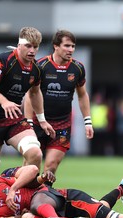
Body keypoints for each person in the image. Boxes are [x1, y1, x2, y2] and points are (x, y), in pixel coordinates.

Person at [0, 27, 55, 177]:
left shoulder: (36, 69)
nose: (32, 50)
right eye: (28, 46)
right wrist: (4, 102)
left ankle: (24, 196)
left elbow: (35, 93)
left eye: (35, 47)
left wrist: (42, 120)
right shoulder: (5, 60)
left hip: (14, 119)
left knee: (35, 153)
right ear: (19, 45)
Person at [24, 30, 93, 179]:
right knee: (31, 166)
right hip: (38, 122)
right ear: (56, 46)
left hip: (62, 124)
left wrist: (88, 122)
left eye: (73, 46)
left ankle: (44, 198)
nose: (71, 50)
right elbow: (31, 95)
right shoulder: (41, 66)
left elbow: (82, 95)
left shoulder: (78, 68)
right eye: (67, 46)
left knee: (51, 166)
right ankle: (21, 196)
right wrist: (29, 122)